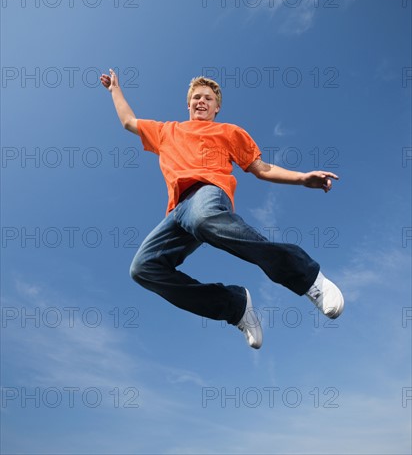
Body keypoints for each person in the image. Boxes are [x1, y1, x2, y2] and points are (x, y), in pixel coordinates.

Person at [100, 69, 344, 349]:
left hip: (208, 194)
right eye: (196, 97)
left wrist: (302, 178)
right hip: (178, 212)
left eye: (208, 98)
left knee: (203, 218)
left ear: (217, 107)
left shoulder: (228, 132)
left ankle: (308, 276)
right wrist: (114, 90)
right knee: (143, 268)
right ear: (188, 104)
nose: (201, 101)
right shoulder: (167, 131)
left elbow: (262, 169)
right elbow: (129, 121)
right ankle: (235, 306)